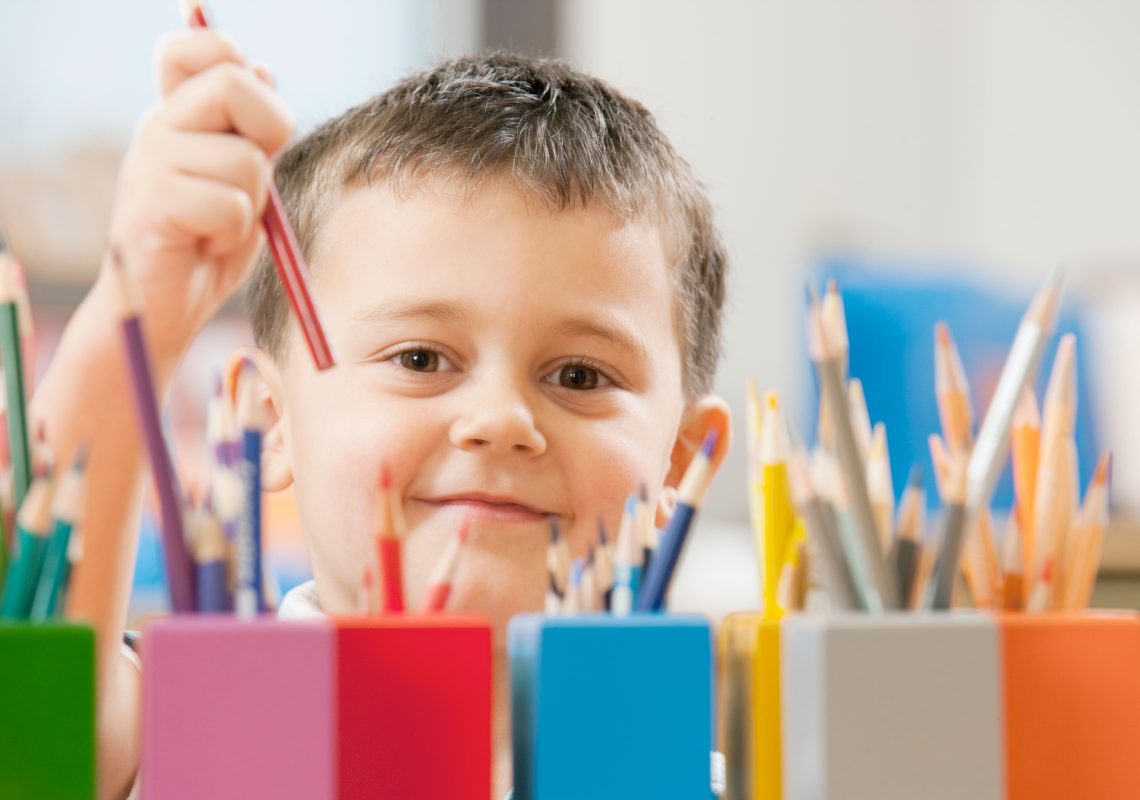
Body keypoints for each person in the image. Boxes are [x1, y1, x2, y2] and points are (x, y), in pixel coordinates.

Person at [34, 29, 732, 799]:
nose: (499, 420)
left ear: (680, 463)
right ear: (266, 421)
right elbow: (40, 710)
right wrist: (142, 301)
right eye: (421, 359)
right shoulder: (190, 727)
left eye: (578, 374)